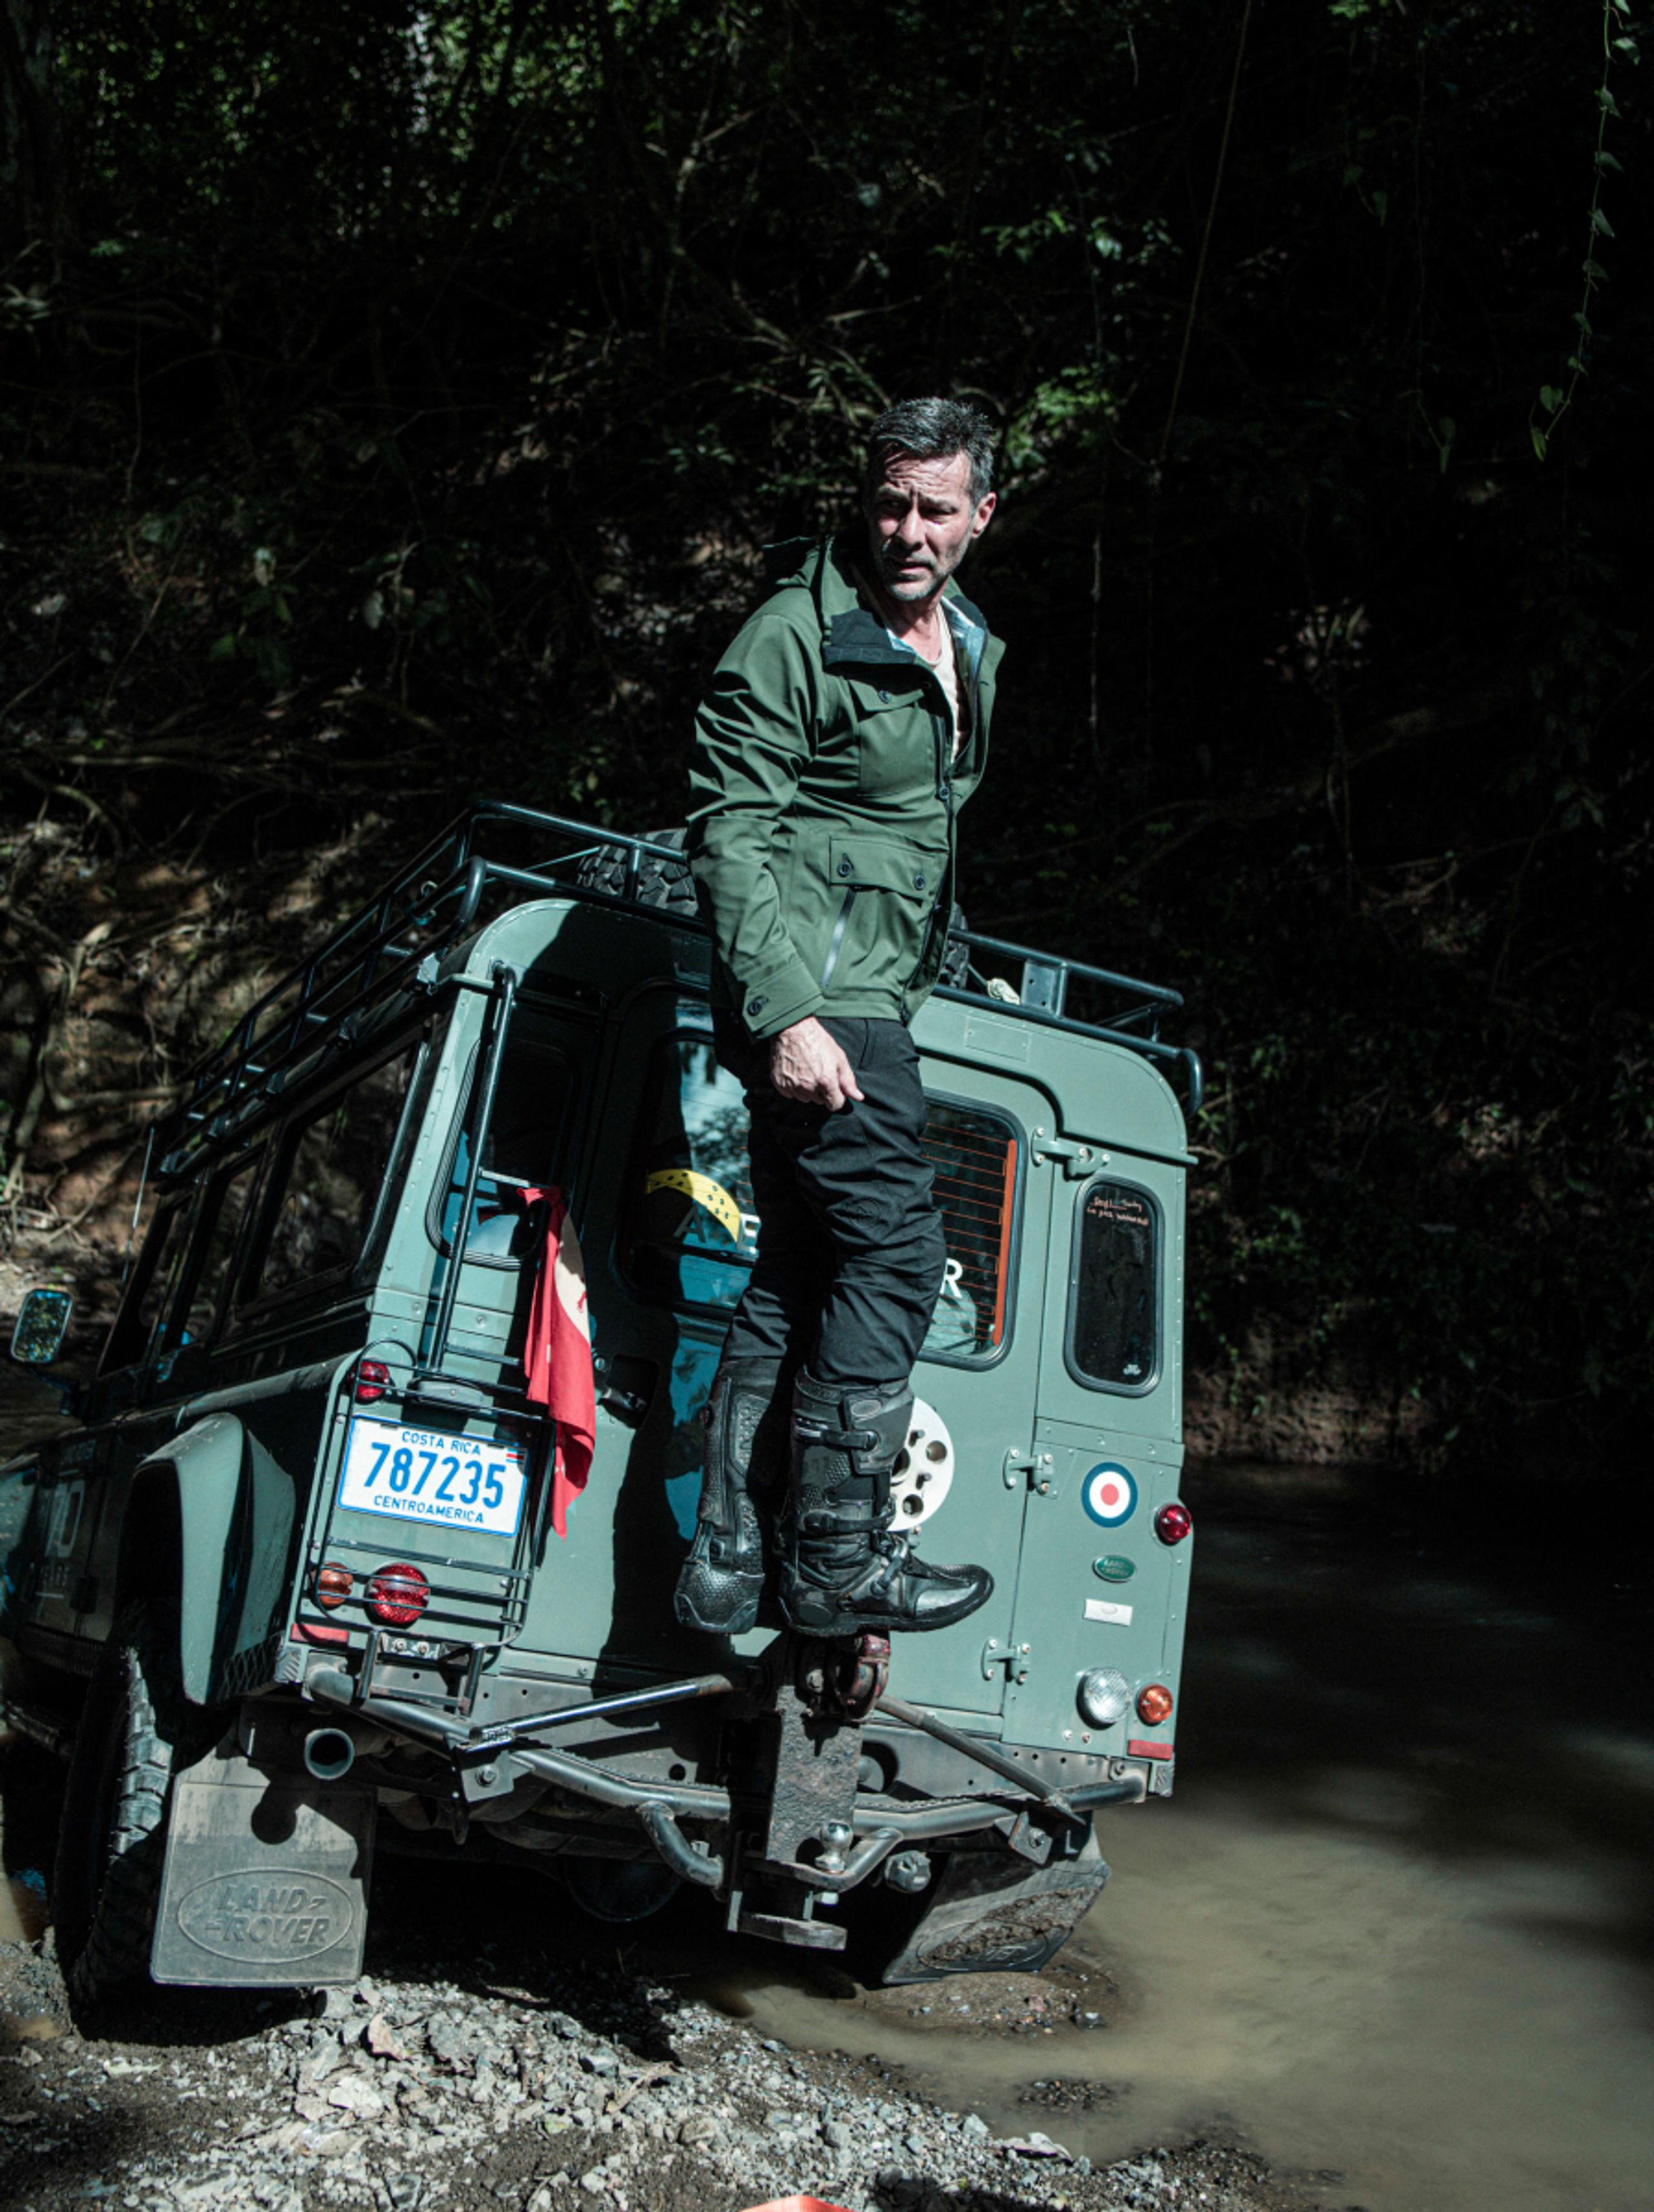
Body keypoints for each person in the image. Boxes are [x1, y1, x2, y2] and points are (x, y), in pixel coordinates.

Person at [676, 396, 1003, 1641]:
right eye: (889, 501)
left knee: (800, 1267)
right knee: (902, 1258)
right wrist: (788, 1013)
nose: (908, 528)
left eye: (935, 507)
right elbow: (730, 830)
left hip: (875, 985)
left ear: (981, 513)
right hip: (824, 1005)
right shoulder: (794, 634)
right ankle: (833, 1562)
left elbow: (910, 826)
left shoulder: (965, 640)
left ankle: (730, 1559)